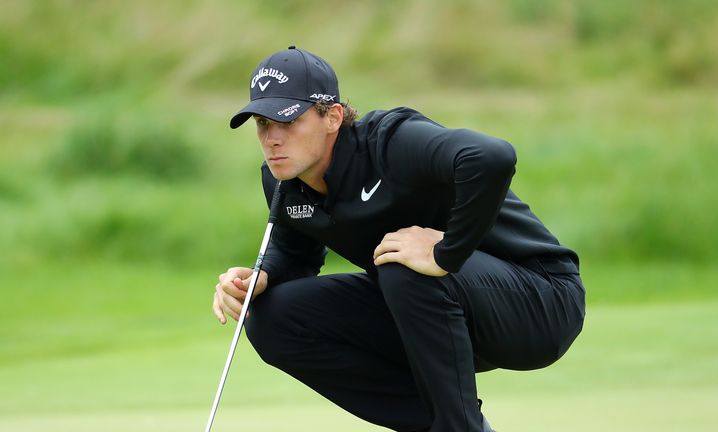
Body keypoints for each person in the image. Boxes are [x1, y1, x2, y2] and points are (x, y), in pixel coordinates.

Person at [213, 46, 585, 432]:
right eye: (262, 122)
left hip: (540, 302)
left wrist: (445, 253)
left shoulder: (390, 143)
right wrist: (261, 276)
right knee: (272, 317)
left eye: (287, 122)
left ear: (333, 117)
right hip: (432, 314)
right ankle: (447, 424)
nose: (272, 139)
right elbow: (295, 256)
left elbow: (490, 157)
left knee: (401, 263)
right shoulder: (282, 181)